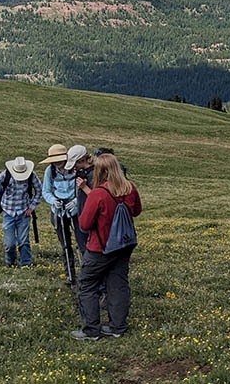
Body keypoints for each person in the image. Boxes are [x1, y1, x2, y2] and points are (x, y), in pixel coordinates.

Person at [72, 152, 142, 340]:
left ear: (99, 171)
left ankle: (92, 330)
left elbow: (84, 224)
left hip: (100, 247)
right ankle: (118, 327)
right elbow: (137, 211)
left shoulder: (98, 194)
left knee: (87, 285)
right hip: (124, 246)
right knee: (118, 284)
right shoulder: (130, 188)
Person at [41, 144, 81, 285]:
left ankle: (87, 277)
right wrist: (53, 201)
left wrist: (76, 202)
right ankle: (70, 276)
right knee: (65, 245)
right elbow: (45, 191)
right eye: (55, 161)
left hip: (74, 211)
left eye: (59, 161)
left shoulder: (75, 170)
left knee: (81, 243)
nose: (58, 164)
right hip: (58, 211)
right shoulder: (49, 171)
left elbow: (81, 189)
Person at [65, 145, 92, 248]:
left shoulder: (93, 175)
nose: (74, 167)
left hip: (91, 218)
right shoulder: (83, 174)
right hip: (83, 216)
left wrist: (84, 187)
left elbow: (98, 198)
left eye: (75, 163)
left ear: (81, 160)